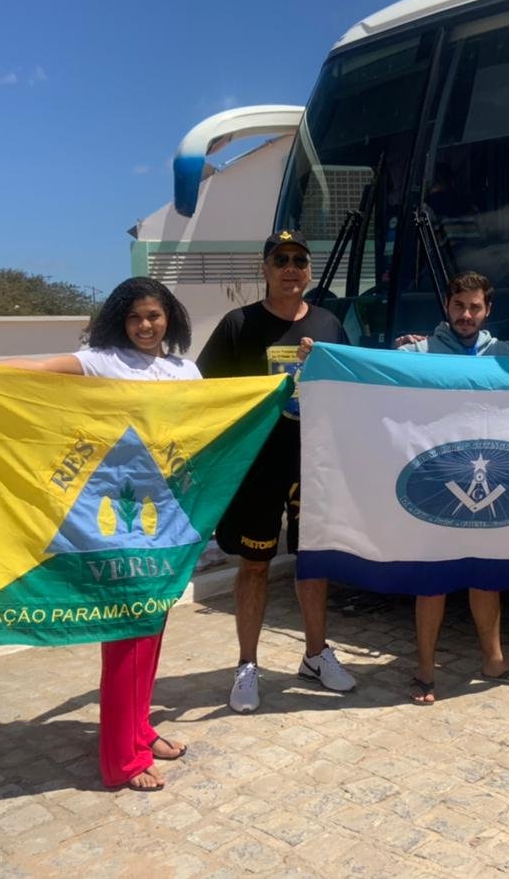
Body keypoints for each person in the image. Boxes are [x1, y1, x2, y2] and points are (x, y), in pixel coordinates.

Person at [0, 277, 196, 791]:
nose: (145, 326)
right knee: (125, 635)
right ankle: (122, 760)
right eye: (134, 317)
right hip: (110, 520)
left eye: (154, 315)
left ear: (169, 317)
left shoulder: (185, 371)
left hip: (163, 520)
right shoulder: (103, 362)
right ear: (119, 321)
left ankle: (140, 730)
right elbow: (40, 370)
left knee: (151, 629)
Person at [301, 271, 509, 705]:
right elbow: (366, 372)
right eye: (459, 306)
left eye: (475, 307)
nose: (466, 315)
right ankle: (425, 670)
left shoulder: (505, 355)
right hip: (433, 480)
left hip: (486, 474)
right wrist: (321, 357)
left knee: (487, 576)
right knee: (432, 579)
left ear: (487, 310)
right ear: (447, 306)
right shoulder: (417, 353)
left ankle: (494, 660)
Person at [195, 230, 357, 714]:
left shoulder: (328, 323)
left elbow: (354, 385)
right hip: (258, 465)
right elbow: (203, 391)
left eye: (299, 260)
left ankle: (315, 655)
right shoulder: (237, 324)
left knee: (313, 563)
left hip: (313, 464)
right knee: (255, 565)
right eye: (280, 259)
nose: (291, 268)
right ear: (264, 269)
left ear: (309, 270)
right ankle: (247, 665)